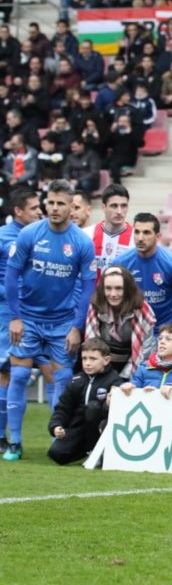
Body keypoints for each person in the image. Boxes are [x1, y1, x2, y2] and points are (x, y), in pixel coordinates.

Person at [3, 180, 95, 462]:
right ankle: (15, 443)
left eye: (61, 203)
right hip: (28, 318)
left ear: (71, 206)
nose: (54, 208)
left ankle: (58, 441)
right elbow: (11, 275)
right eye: (50, 202)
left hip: (62, 322)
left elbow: (88, 286)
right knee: (18, 375)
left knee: (62, 379)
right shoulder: (30, 234)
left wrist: (76, 326)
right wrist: (16, 317)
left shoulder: (81, 242)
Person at [0, 189, 41, 450]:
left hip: (38, 313)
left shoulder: (39, 236)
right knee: (6, 373)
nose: (40, 212)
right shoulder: (4, 237)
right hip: (8, 314)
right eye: (34, 207)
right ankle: (4, 439)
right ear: (18, 211)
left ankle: (57, 438)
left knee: (50, 371)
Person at [46, 338, 122, 465]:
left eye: (93, 359)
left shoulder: (115, 381)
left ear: (106, 360)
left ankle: (98, 451)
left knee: (92, 408)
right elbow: (63, 408)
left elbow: (118, 413)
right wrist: (56, 426)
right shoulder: (76, 380)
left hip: (101, 428)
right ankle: (88, 451)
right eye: (84, 358)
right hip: (79, 428)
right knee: (56, 453)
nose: (87, 363)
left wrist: (108, 404)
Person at [113, 213, 172, 330]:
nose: (140, 238)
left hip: (165, 330)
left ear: (158, 236)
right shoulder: (120, 263)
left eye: (146, 232)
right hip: (131, 329)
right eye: (137, 232)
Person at [83, 265, 157, 379]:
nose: (113, 294)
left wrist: (123, 378)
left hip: (134, 362)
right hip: (103, 363)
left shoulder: (142, 308)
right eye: (108, 288)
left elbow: (146, 349)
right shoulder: (95, 306)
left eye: (118, 288)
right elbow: (91, 345)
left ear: (127, 289)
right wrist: (107, 377)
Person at [122, 322, 172, 390]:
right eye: (160, 338)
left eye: (168, 339)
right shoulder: (144, 368)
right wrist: (129, 388)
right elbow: (133, 389)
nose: (162, 342)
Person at [83, 184, 132, 279]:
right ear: (103, 207)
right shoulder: (87, 235)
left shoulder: (136, 238)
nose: (119, 211)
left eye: (123, 206)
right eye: (114, 206)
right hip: (93, 293)